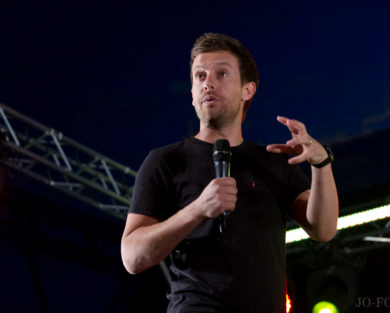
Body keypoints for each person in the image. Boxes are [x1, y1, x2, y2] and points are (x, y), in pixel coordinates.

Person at [121, 33, 338, 313]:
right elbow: (132, 257)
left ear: (247, 90)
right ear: (192, 95)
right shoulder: (165, 161)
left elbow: (324, 229)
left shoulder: (273, 161)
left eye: (221, 73)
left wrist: (321, 164)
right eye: (199, 76)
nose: (207, 83)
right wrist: (198, 208)